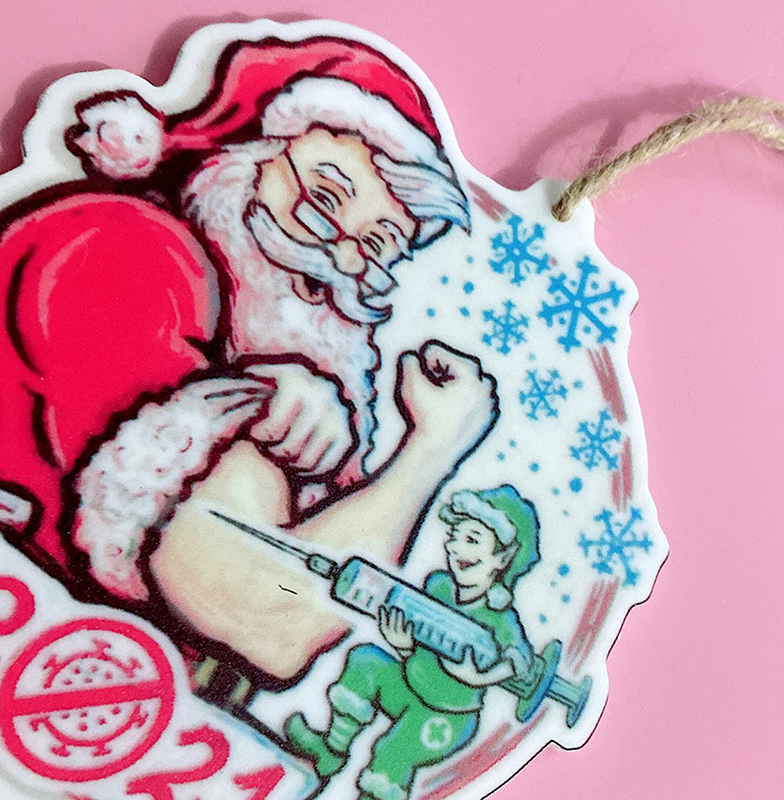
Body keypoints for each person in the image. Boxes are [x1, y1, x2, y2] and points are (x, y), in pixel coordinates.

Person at [0, 35, 497, 688]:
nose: (339, 257)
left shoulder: (299, 388)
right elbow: (269, 616)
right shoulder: (120, 256)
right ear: (247, 160)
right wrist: (431, 449)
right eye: (324, 202)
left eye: (375, 248)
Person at [285, 485, 541, 800]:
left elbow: (521, 662)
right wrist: (403, 646)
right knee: (365, 661)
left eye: (472, 540)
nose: (456, 548)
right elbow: (424, 640)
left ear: (503, 557)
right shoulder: (438, 585)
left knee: (393, 751)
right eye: (454, 536)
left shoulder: (499, 617)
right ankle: (331, 750)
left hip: (446, 714)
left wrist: (477, 677)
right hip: (407, 684)